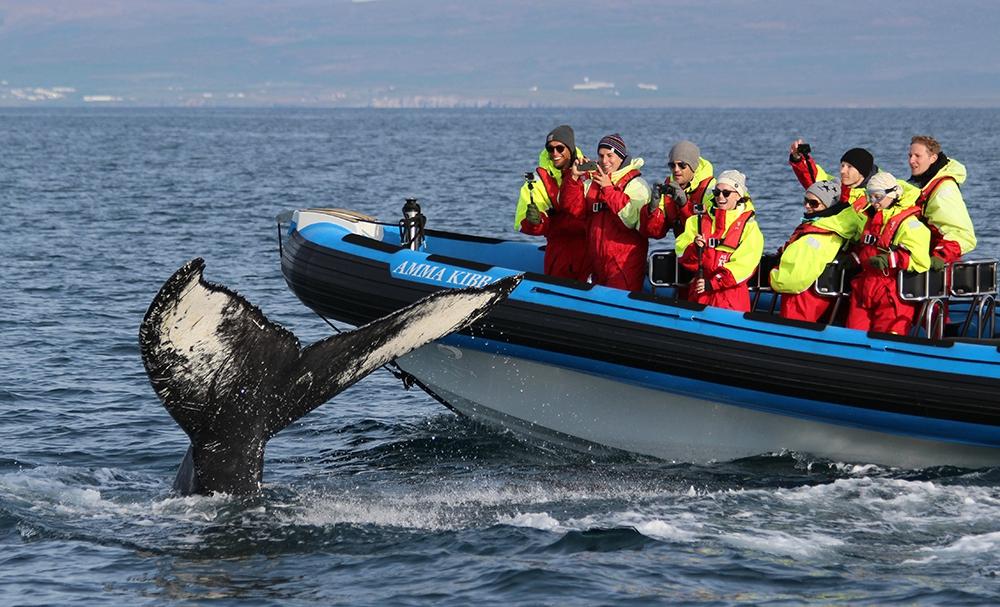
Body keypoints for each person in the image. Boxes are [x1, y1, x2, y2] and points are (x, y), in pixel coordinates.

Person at [561, 133, 651, 291]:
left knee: (620, 308)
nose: (604, 161)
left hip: (623, 266)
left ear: (621, 157)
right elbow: (573, 209)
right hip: (597, 263)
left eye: (610, 155)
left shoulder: (637, 185)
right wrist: (573, 179)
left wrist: (608, 189)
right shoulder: (593, 182)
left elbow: (631, 220)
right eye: (601, 156)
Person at [845, 171, 931, 335]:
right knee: (853, 333)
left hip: (891, 290)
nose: (873, 202)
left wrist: (889, 259)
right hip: (865, 286)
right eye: (870, 197)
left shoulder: (909, 224)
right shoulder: (872, 218)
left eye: (877, 197)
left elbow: (920, 260)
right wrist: (855, 258)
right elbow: (868, 246)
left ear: (892, 194)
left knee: (886, 338)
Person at [769, 181, 865, 323]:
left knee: (793, 334)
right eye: (806, 201)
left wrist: (773, 276)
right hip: (814, 298)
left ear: (828, 205)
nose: (807, 206)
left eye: (814, 203)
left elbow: (793, 280)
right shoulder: (830, 228)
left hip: (801, 300)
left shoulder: (818, 237)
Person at [674, 170, 764, 311]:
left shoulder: (750, 228)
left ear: (738, 195)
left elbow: (744, 267)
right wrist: (695, 249)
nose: (720, 197)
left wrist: (714, 283)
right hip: (700, 292)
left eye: (726, 193)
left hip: (730, 299)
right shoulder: (697, 221)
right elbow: (681, 253)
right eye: (717, 192)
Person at [513, 125, 591, 281]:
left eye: (560, 148)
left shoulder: (589, 171)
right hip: (558, 253)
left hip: (590, 252)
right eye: (550, 148)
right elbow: (523, 221)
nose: (555, 153)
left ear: (570, 148)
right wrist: (534, 221)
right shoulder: (537, 181)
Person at [907, 135, 976, 268]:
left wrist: (939, 257)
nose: (911, 161)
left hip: (939, 268)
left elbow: (962, 234)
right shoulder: (920, 183)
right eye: (909, 155)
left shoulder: (944, 190)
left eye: (917, 156)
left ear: (933, 158)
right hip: (919, 262)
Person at [639, 140, 716, 239]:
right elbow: (655, 233)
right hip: (682, 251)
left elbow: (707, 231)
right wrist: (652, 209)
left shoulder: (711, 189)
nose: (676, 170)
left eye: (682, 165)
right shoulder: (668, 187)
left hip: (705, 252)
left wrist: (684, 206)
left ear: (694, 166)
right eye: (672, 165)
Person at [788, 140, 876, 212]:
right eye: (842, 165)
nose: (842, 171)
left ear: (862, 172)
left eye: (849, 167)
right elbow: (812, 176)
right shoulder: (835, 186)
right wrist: (798, 158)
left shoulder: (874, 198)